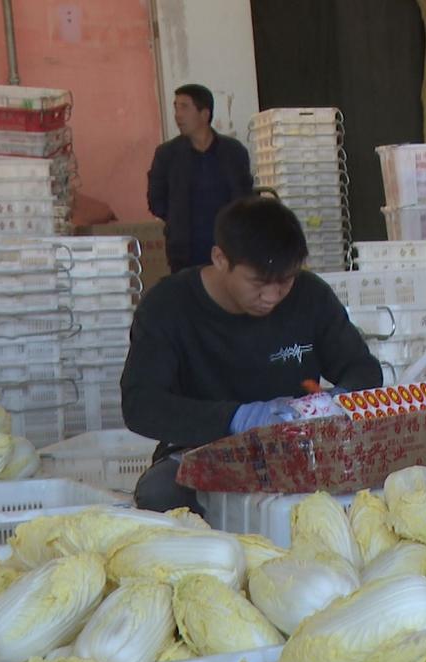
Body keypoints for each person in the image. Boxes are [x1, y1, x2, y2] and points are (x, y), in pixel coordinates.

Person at [121, 196, 383, 513]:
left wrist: (336, 403)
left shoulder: (310, 296)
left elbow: (363, 369)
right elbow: (140, 405)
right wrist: (237, 418)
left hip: (298, 448)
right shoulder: (168, 307)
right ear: (220, 259)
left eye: (284, 281)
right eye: (258, 283)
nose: (271, 297)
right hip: (200, 449)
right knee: (159, 493)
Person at [147, 84, 255, 273]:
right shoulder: (167, 154)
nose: (177, 115)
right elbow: (156, 200)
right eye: (175, 107)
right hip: (185, 253)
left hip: (229, 250)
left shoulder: (234, 152)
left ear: (204, 114)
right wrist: (176, 219)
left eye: (184, 107)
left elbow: (245, 198)